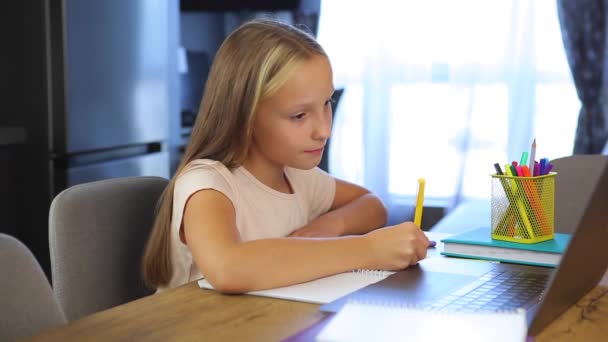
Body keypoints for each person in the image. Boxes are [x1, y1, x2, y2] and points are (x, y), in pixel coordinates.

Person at [142, 19, 431, 293]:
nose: (324, 130)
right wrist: (368, 250)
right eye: (299, 115)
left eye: (326, 103)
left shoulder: (297, 176)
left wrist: (326, 228)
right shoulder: (207, 184)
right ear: (246, 116)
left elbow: (371, 205)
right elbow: (228, 268)